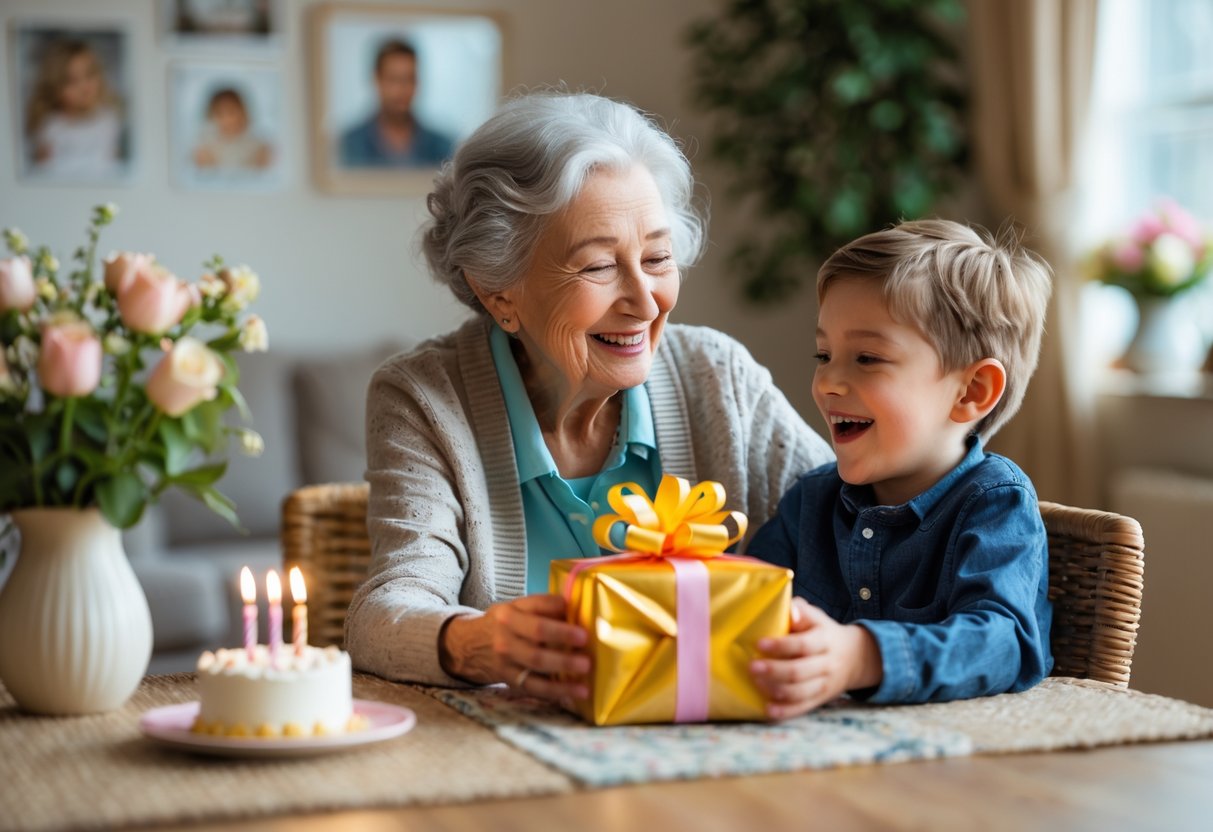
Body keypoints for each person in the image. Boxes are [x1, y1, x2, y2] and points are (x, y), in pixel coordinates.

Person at [345, 91, 834, 703]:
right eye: (599, 267)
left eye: (657, 257)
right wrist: (474, 643)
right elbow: (384, 612)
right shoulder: (424, 398)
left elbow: (856, 525)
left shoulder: (717, 374)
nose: (644, 298)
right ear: (498, 291)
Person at [747, 219, 1055, 719]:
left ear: (971, 392)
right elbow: (743, 601)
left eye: (867, 357)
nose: (826, 382)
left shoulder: (996, 503)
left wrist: (862, 656)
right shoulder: (811, 500)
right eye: (823, 355)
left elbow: (1004, 643)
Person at [338, 38, 454, 168]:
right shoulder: (347, 145)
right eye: (393, 79)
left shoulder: (443, 147)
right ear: (377, 80)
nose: (402, 89)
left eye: (409, 79)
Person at [24, 37, 125, 178]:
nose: (84, 87)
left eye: (90, 74)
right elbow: (42, 173)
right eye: (72, 81)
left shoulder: (110, 119)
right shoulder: (50, 127)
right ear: (54, 88)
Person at [191, 87, 273, 173]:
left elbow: (265, 173)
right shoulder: (204, 142)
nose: (226, 119)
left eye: (231, 112)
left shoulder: (259, 142)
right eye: (219, 114)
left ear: (242, 111)